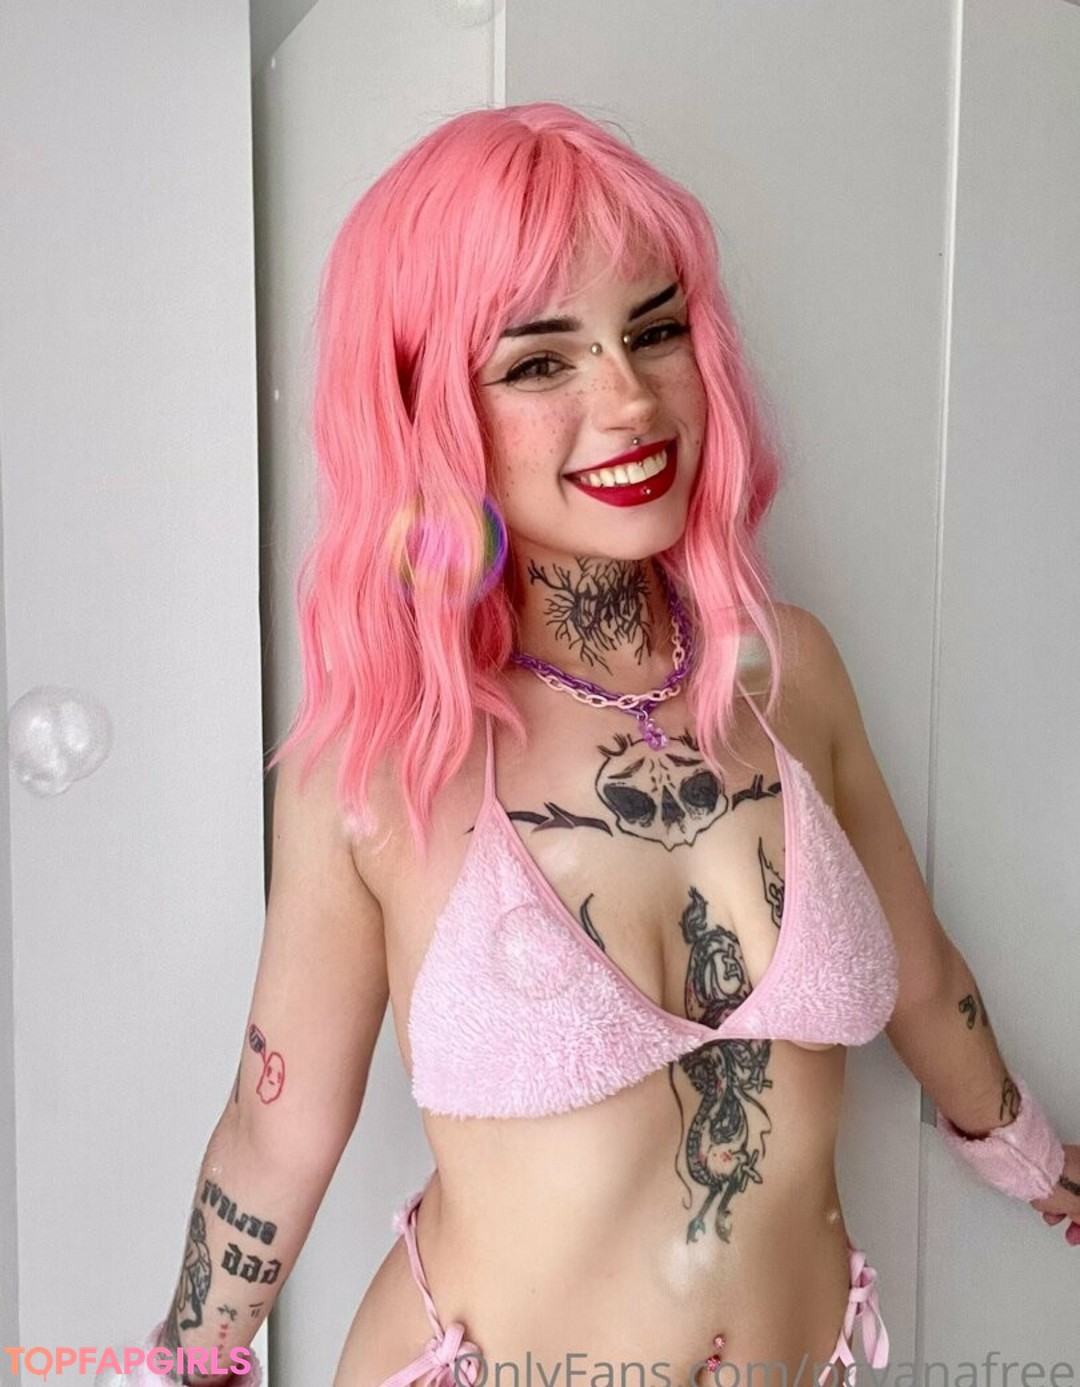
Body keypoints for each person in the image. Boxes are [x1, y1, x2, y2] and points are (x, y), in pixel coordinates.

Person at [141, 102, 1079, 1387]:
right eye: (540, 364)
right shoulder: (382, 766)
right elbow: (276, 1134)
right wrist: (173, 1371)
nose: (630, 399)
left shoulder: (787, 672)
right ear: (427, 411)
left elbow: (920, 975)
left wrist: (1028, 1155)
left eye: (654, 331)